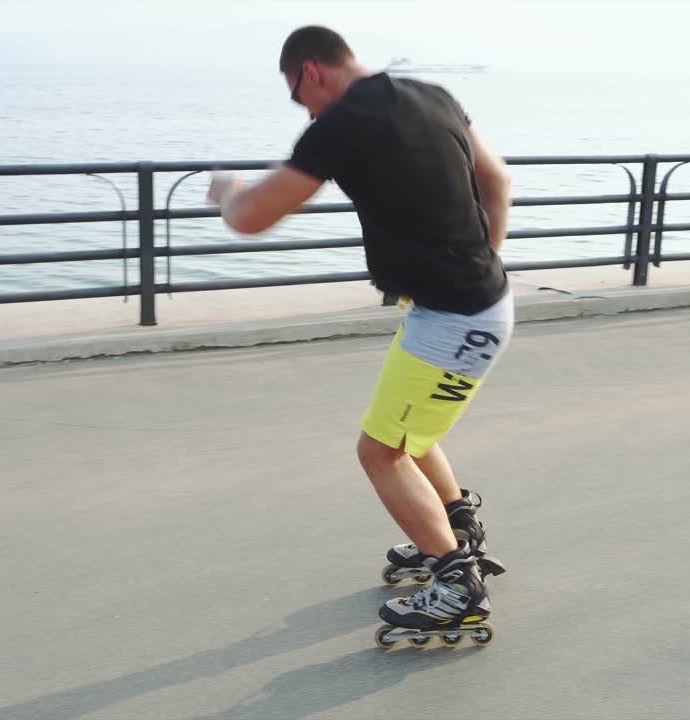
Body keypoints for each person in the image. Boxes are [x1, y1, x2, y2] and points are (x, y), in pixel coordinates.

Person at [206, 25, 514, 638]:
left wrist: (228, 191)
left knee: (380, 451)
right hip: (471, 304)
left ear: (312, 71)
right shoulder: (433, 95)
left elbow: (251, 217)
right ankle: (457, 529)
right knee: (411, 431)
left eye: (297, 94)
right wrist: (481, 263)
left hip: (453, 318)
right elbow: (497, 181)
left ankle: (456, 581)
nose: (301, 106)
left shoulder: (341, 125)